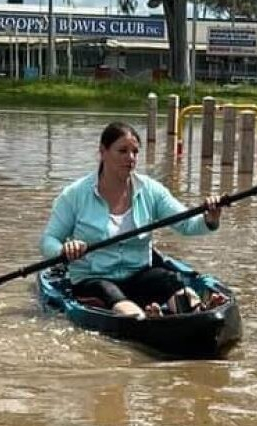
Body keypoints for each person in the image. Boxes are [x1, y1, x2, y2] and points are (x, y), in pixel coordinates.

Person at [41, 121, 226, 318]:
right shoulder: (74, 194)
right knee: (107, 290)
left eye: (135, 152)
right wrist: (64, 250)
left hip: (139, 275)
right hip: (94, 279)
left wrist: (210, 219)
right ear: (102, 152)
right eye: (122, 151)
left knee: (168, 279)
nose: (130, 158)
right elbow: (48, 240)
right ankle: (145, 321)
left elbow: (187, 225)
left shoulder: (151, 190)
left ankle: (197, 312)